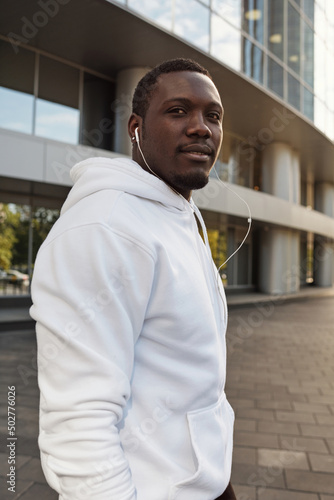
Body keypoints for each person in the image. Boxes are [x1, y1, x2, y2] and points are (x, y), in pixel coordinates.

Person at [30, 58, 236, 500]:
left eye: (213, 116)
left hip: (204, 481)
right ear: (135, 128)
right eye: (179, 111)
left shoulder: (175, 215)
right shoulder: (106, 228)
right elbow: (78, 422)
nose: (201, 128)